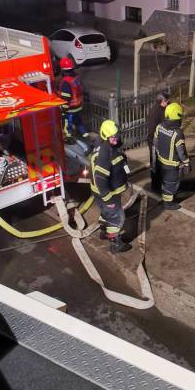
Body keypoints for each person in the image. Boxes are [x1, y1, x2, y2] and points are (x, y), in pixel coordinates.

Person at [90, 119, 131, 253]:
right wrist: (108, 198)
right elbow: (100, 179)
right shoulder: (104, 154)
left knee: (106, 212)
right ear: (105, 136)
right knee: (117, 218)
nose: (116, 139)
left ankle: (104, 230)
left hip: (99, 193)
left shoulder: (105, 146)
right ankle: (115, 244)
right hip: (108, 193)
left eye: (116, 136)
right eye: (113, 137)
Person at [153, 102, 190, 209]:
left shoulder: (159, 127)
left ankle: (165, 196)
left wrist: (160, 154)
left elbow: (155, 143)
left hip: (161, 161)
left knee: (165, 181)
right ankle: (168, 203)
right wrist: (187, 163)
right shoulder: (178, 134)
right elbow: (181, 152)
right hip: (172, 165)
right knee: (172, 183)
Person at [146, 91, 170, 192]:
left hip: (161, 141)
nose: (168, 103)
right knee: (155, 164)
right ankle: (155, 186)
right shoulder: (155, 112)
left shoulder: (163, 108)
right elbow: (152, 130)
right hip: (154, 142)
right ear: (161, 101)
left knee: (161, 163)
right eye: (166, 101)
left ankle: (161, 182)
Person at [56, 57, 84, 138]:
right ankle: (85, 134)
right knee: (79, 122)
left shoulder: (65, 81)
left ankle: (69, 137)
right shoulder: (76, 77)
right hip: (79, 105)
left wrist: (63, 110)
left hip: (70, 108)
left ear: (62, 69)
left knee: (68, 124)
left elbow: (66, 98)